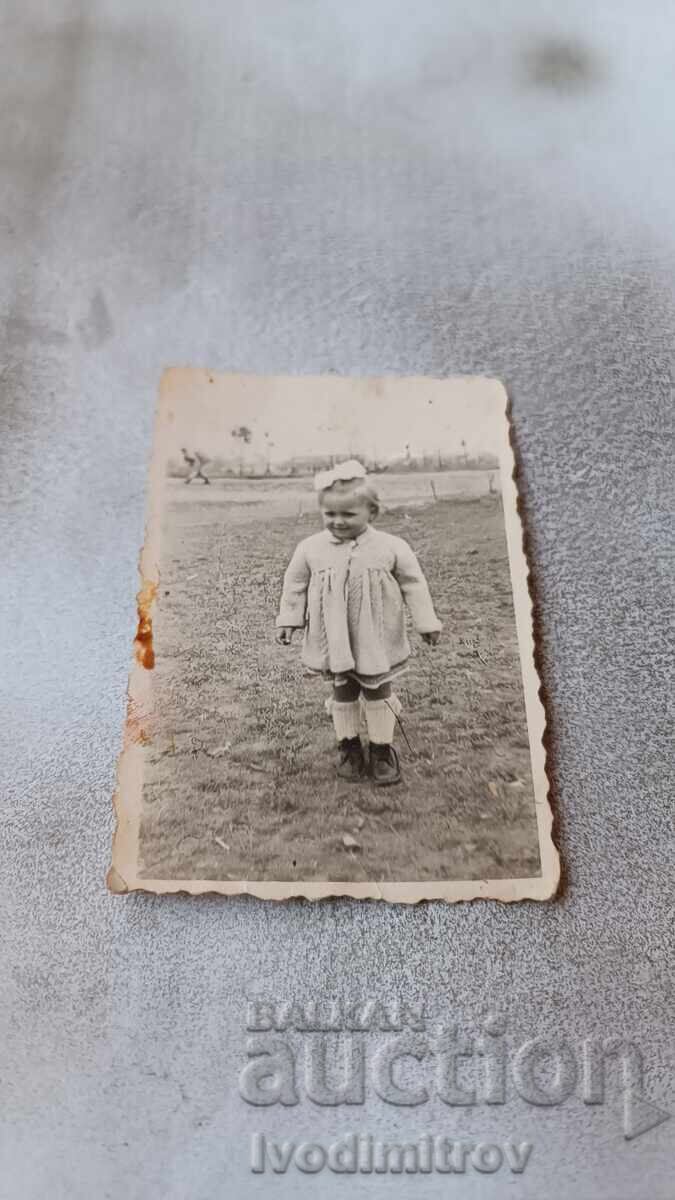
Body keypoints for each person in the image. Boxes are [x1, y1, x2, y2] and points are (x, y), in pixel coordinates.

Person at [275, 460, 441, 785]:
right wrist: (289, 619)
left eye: (348, 515)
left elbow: (413, 583)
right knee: (344, 689)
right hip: (334, 637)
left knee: (378, 688)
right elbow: (294, 585)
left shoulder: (393, 546)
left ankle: (381, 750)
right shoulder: (310, 548)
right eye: (330, 514)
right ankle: (349, 747)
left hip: (376, 636)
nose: (337, 522)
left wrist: (426, 621)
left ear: (372, 513)